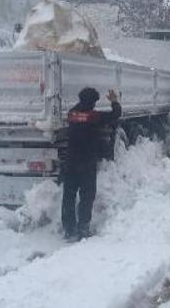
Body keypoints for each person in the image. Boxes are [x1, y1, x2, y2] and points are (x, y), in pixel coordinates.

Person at [62, 87, 121, 240]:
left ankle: (68, 229)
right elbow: (115, 115)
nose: (95, 105)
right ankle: (83, 228)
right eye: (95, 102)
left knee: (68, 195)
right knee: (87, 196)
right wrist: (114, 101)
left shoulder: (72, 114)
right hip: (86, 162)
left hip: (70, 162)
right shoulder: (93, 116)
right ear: (92, 102)